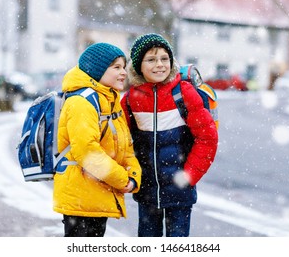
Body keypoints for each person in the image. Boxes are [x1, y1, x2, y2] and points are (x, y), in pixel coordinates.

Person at [120, 33, 218, 237]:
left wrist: (189, 176)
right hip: (147, 192)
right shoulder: (131, 99)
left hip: (180, 192)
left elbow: (207, 138)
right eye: (151, 59)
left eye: (165, 58)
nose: (160, 65)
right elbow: (122, 143)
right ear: (138, 65)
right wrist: (131, 175)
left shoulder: (183, 92)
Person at [53, 42, 141, 237]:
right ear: (97, 69)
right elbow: (87, 152)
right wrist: (121, 178)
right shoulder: (81, 103)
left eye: (124, 67)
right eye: (116, 67)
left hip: (98, 194)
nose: (124, 73)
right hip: (81, 197)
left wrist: (133, 176)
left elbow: (126, 148)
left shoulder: (109, 100)